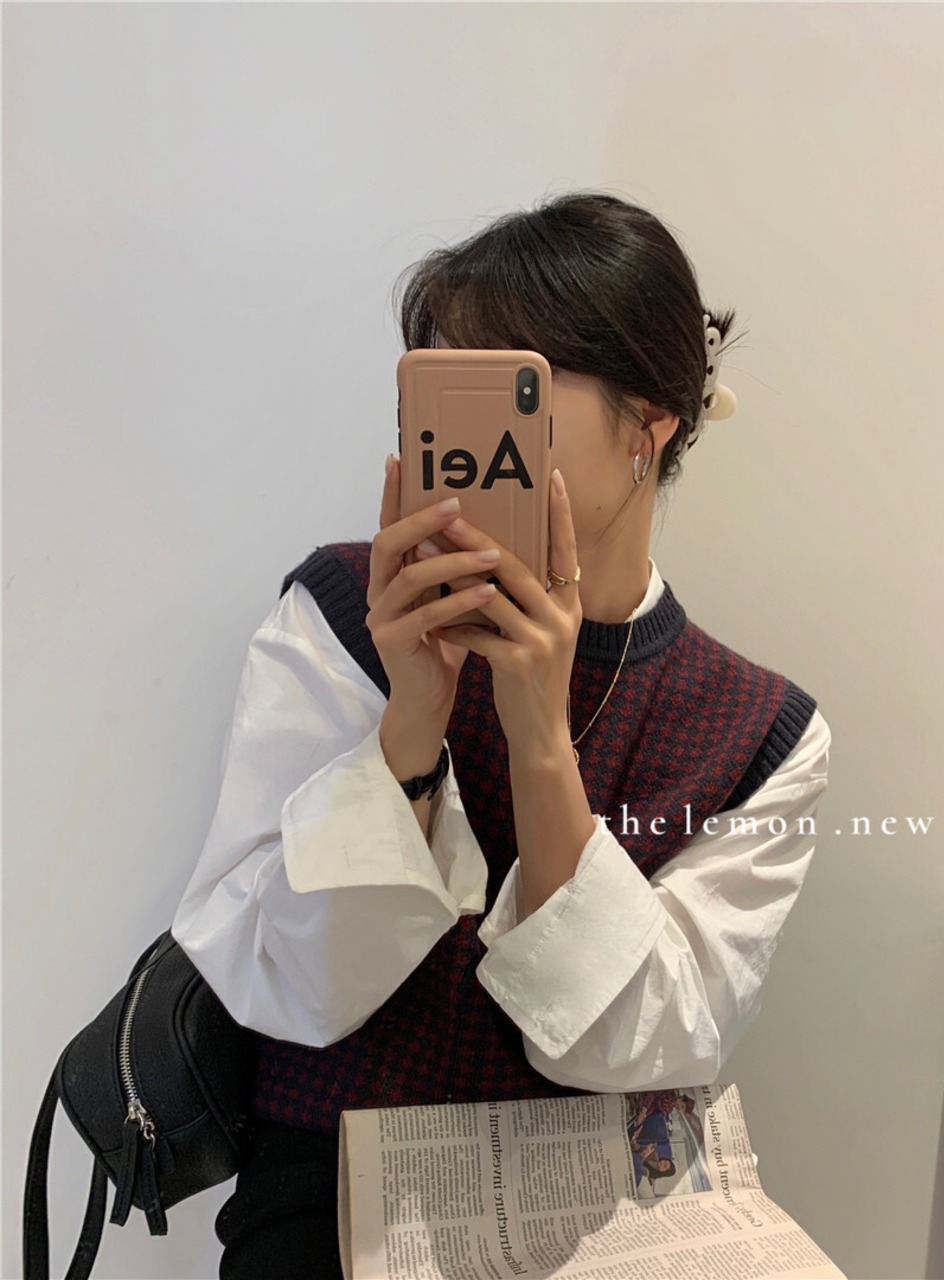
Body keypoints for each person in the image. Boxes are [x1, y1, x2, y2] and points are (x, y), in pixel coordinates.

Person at [172, 190, 831, 1278]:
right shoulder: (341, 616)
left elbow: (657, 1041)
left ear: (651, 424)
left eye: (513, 388)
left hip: (601, 1213)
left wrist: (541, 742)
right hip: (332, 1194)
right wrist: (410, 724)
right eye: (445, 387)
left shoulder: (760, 728)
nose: (471, 436)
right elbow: (282, 982)